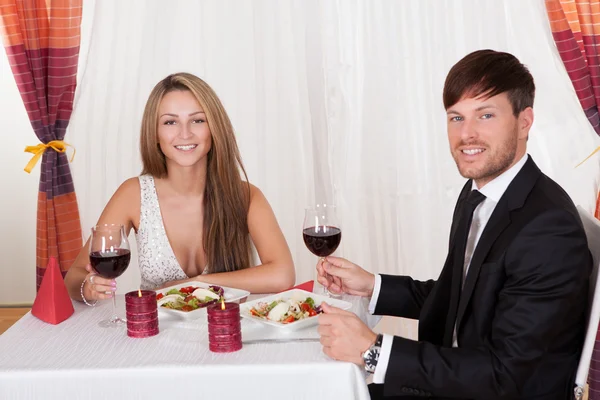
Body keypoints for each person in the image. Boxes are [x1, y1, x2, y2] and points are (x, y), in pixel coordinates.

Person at [316, 50, 591, 399]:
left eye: (486, 115)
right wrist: (373, 286)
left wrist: (374, 350)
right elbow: (459, 297)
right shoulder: (479, 194)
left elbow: (507, 377)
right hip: (457, 380)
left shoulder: (548, 229)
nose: (467, 134)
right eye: (456, 117)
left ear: (524, 122)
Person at [66, 73, 295, 303]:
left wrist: (197, 283)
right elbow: (74, 278)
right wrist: (88, 288)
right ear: (154, 133)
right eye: (170, 122)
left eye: (197, 120)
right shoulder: (134, 194)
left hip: (227, 332)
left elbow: (283, 274)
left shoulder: (246, 196)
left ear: (214, 128)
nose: (185, 133)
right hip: (154, 333)